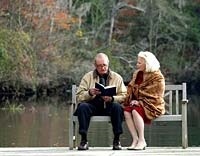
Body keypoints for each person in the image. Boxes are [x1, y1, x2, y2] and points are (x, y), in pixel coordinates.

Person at [74, 53, 127, 150]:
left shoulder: (117, 77)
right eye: (99, 66)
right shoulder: (88, 77)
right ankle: (84, 140)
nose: (102, 68)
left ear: (108, 64)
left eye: (104, 65)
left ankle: (116, 140)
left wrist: (112, 98)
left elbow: (124, 96)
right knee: (82, 107)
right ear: (95, 66)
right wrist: (89, 93)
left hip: (110, 105)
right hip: (93, 105)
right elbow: (79, 97)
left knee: (117, 107)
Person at [123, 51, 165, 150]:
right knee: (126, 111)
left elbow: (156, 94)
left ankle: (142, 140)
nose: (137, 65)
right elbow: (131, 88)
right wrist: (132, 99)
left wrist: (140, 101)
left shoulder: (157, 76)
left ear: (147, 63)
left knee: (135, 110)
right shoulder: (137, 74)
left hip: (152, 105)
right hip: (137, 103)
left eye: (139, 63)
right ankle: (135, 139)